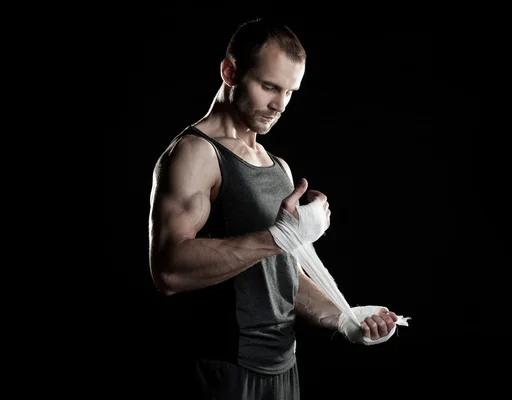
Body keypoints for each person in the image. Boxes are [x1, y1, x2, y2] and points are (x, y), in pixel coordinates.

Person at [148, 17, 402, 399]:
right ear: (230, 72)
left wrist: (349, 319)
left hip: (282, 368)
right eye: (269, 87)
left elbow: (284, 277)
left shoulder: (277, 166)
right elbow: (168, 270)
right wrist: (280, 236)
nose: (279, 105)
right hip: (225, 370)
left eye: (289, 92)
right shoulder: (195, 153)